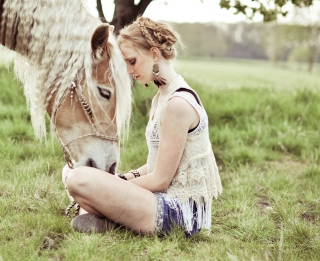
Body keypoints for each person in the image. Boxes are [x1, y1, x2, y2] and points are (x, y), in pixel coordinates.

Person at [63, 17, 222, 237]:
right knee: (71, 171)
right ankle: (107, 217)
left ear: (154, 54)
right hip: (161, 201)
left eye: (132, 61)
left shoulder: (177, 104)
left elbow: (160, 180)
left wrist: (111, 185)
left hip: (181, 214)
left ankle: (100, 213)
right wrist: (123, 179)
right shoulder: (162, 97)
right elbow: (158, 164)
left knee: (79, 179)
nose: (129, 71)